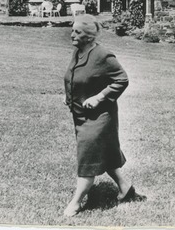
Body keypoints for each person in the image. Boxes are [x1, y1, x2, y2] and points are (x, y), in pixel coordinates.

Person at [63, 14, 146, 217]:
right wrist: (69, 96)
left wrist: (99, 97)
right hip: (81, 116)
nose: (72, 35)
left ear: (90, 37)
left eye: (77, 32)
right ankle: (126, 188)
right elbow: (75, 77)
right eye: (72, 30)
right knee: (103, 153)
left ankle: (75, 202)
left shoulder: (103, 55)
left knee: (87, 159)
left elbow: (122, 80)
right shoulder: (78, 51)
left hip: (99, 117)